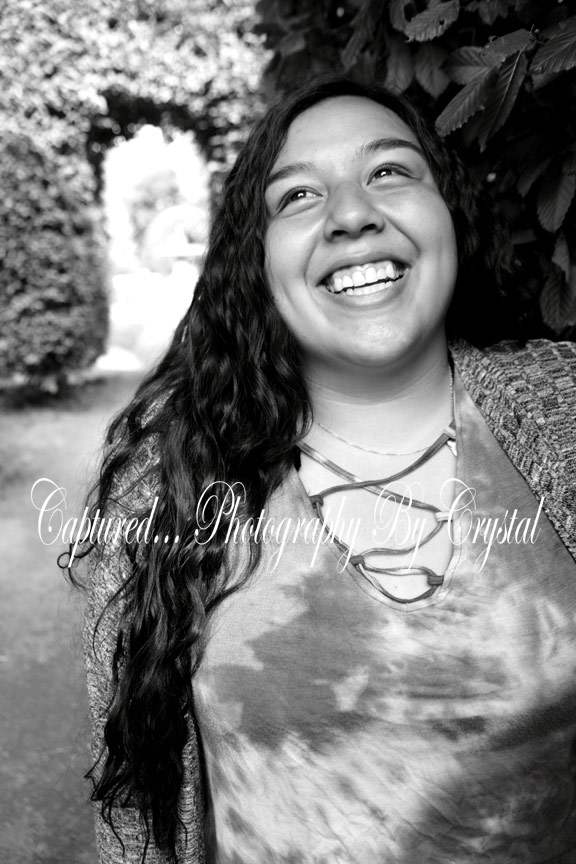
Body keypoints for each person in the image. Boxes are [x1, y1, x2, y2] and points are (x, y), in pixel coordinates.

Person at [80, 77, 576, 864]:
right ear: (257, 259)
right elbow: (138, 815)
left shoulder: (564, 413)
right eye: (299, 195)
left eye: (389, 171)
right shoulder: (164, 484)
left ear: (449, 213)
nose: (351, 214)